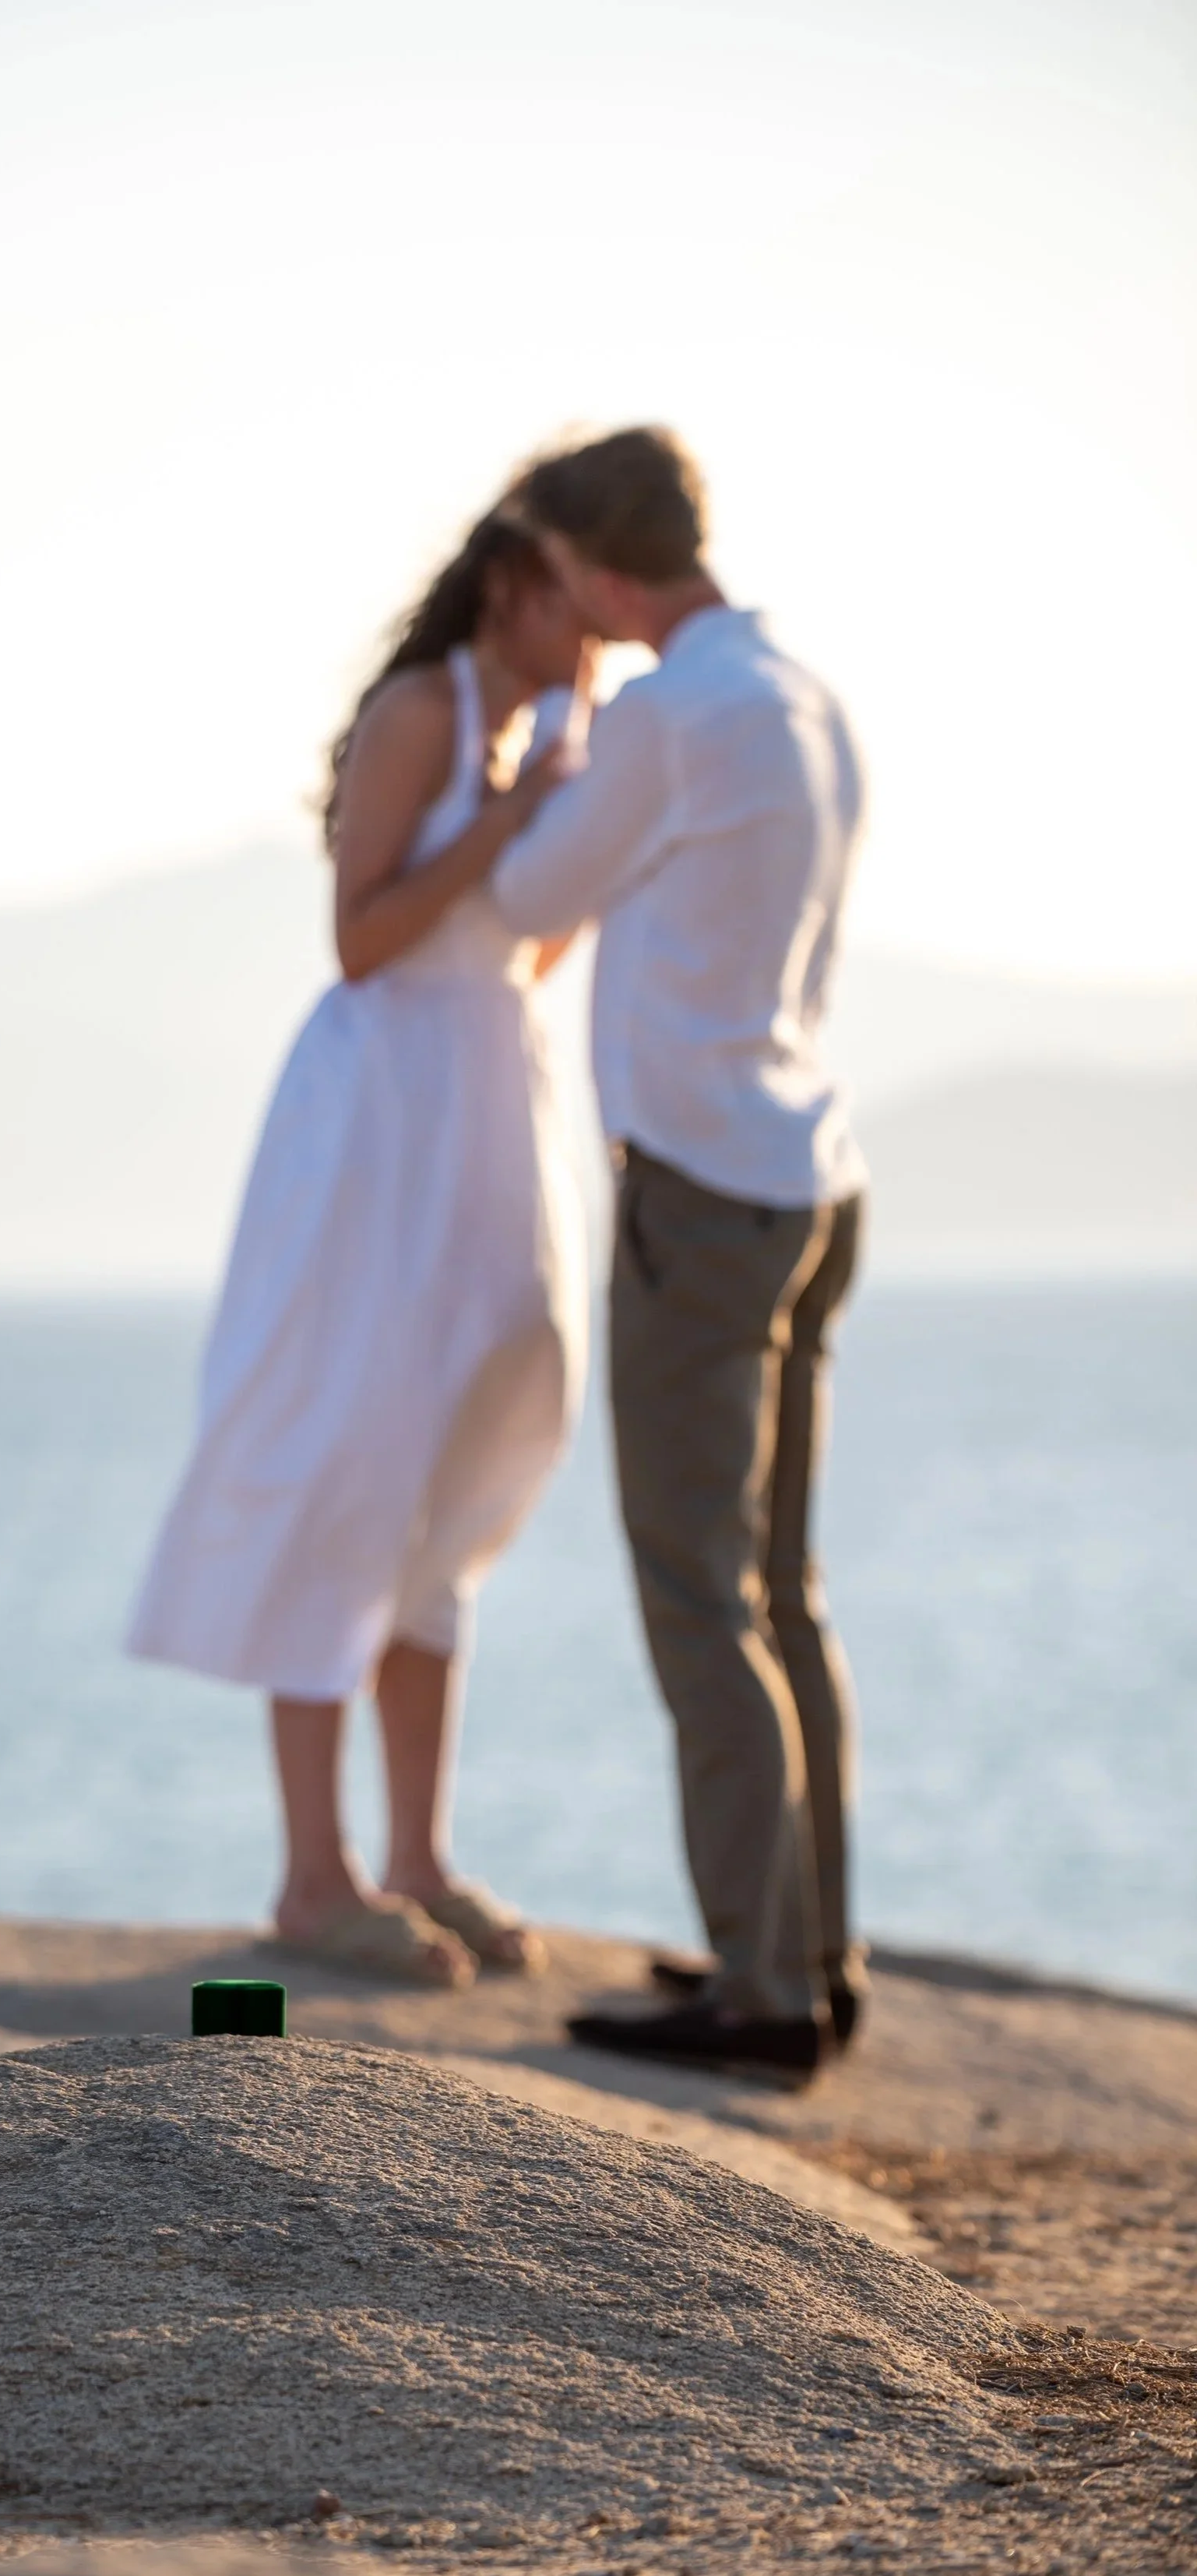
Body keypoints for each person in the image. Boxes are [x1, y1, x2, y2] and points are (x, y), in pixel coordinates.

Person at [127, 503, 593, 1987]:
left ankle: (418, 1856)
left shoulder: (543, 733)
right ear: (510, 588)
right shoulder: (418, 717)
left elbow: (529, 949)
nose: (596, 624)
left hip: (493, 1109)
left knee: (464, 1470)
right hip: (384, 1118)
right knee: (346, 1458)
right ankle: (314, 1876)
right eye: (574, 595)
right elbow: (363, 936)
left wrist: (569, 817)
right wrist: (516, 822)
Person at [491, 428, 867, 2081]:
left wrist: (552, 742)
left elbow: (528, 895)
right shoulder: (803, 695)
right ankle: (810, 1954)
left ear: (594, 570)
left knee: (698, 1598)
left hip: (702, 1190)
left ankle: (760, 1995)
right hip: (813, 1171)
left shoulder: (664, 718)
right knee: (781, 1593)